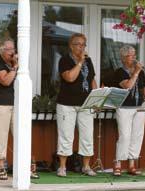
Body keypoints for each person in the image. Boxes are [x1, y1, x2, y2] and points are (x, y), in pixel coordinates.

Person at [56, 33, 97, 177]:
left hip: (86, 103)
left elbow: (92, 80)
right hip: (67, 104)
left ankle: (86, 166)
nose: (81, 47)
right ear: (71, 46)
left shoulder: (89, 60)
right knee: (66, 135)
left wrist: (96, 99)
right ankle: (62, 167)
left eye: (83, 44)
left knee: (87, 136)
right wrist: (79, 62)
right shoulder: (64, 60)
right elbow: (70, 77)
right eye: (78, 44)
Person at [113, 45, 145, 176]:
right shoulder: (119, 72)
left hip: (139, 107)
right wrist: (136, 72)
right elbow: (128, 85)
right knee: (125, 136)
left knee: (137, 135)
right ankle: (118, 163)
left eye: (135, 55)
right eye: (131, 55)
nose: (134, 58)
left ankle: (131, 164)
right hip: (124, 107)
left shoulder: (140, 72)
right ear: (123, 58)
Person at [0, 38, 18, 180]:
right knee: (1, 136)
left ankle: (23, 167)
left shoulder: (12, 62)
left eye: (13, 49)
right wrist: (15, 67)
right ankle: (0, 167)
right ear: (1, 51)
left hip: (16, 104)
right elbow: (5, 81)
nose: (13, 52)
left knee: (20, 135)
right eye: (9, 49)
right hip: (0, 104)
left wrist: (15, 65)